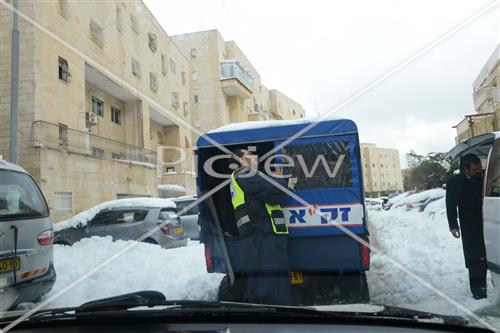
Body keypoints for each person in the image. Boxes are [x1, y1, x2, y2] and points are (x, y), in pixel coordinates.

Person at [229, 148, 292, 305]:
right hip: (261, 238)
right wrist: (280, 180)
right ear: (241, 160)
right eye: (248, 154)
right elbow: (278, 192)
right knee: (269, 289)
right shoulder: (245, 174)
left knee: (267, 285)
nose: (254, 156)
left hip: (260, 238)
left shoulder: (248, 176)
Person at [445, 153, 487, 299]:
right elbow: (451, 206)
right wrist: (453, 226)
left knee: (489, 256)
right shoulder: (454, 182)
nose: (479, 171)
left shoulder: (483, 178)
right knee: (475, 260)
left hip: (487, 222)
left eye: (480, 168)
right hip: (470, 226)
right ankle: (478, 293)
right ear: (466, 169)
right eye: (475, 169)